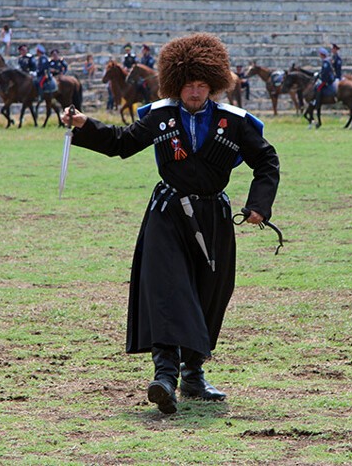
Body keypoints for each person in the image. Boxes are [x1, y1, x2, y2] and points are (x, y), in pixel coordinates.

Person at [62, 33, 280, 415]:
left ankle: (193, 373)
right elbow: (120, 143)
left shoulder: (236, 123)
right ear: (175, 84)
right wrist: (84, 124)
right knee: (167, 289)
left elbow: (267, 162)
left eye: (201, 85)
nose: (194, 93)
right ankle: (164, 376)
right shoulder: (159, 115)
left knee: (209, 295)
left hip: (214, 217)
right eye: (187, 86)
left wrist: (259, 205)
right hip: (166, 215)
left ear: (214, 85)